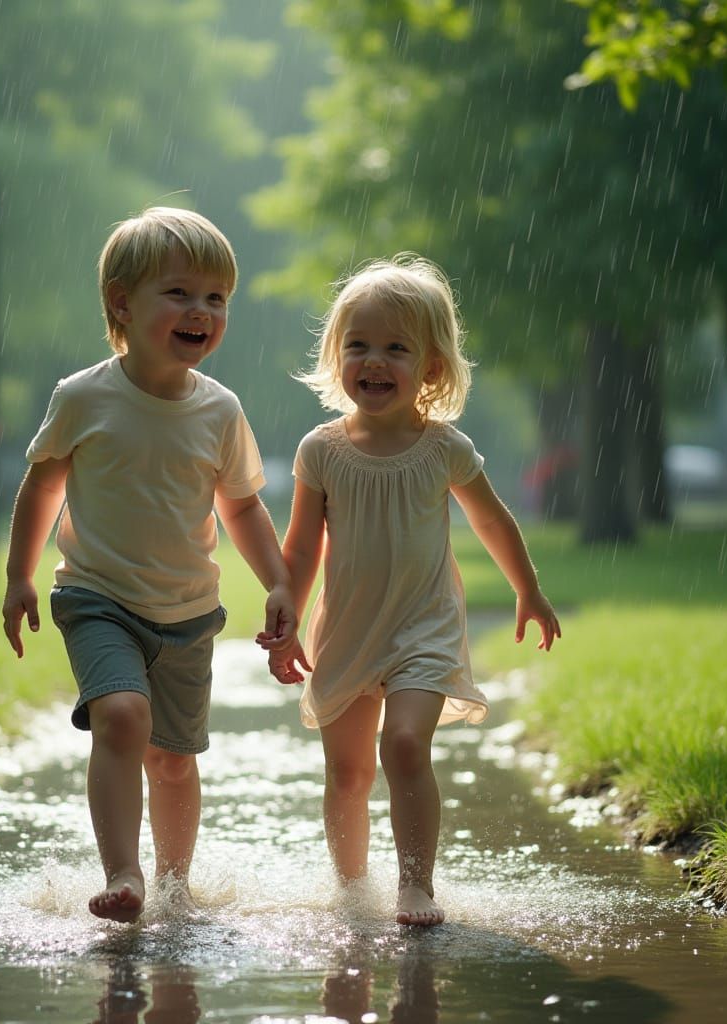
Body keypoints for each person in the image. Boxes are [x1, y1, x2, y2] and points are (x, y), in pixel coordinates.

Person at [2, 207, 295, 924]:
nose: (202, 311)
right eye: (181, 293)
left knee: (172, 757)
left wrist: (280, 580)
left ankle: (173, 883)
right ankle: (124, 873)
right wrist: (19, 576)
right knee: (123, 718)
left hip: (189, 613)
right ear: (121, 304)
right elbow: (42, 483)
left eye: (216, 297)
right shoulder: (83, 397)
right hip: (97, 597)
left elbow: (243, 508)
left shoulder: (220, 410)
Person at [258, 254, 560, 927]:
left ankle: (414, 885)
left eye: (396, 347)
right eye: (358, 345)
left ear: (430, 366)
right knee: (348, 774)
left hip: (423, 627)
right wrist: (285, 614)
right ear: (338, 356)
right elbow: (303, 547)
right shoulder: (321, 451)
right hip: (346, 631)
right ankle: (352, 888)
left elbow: (491, 518)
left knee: (402, 745)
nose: (374, 360)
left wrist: (528, 589)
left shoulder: (443, 449)